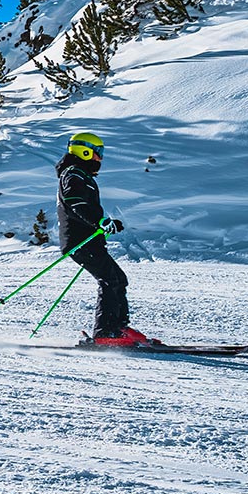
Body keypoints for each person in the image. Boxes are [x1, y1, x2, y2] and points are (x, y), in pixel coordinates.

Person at [55, 131, 148, 346]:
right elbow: (76, 203)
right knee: (109, 279)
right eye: (98, 153)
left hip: (89, 240)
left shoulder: (81, 175)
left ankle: (119, 328)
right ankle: (105, 333)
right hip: (79, 241)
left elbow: (84, 206)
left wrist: (103, 222)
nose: (100, 158)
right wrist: (101, 221)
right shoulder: (73, 175)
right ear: (84, 152)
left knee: (118, 278)